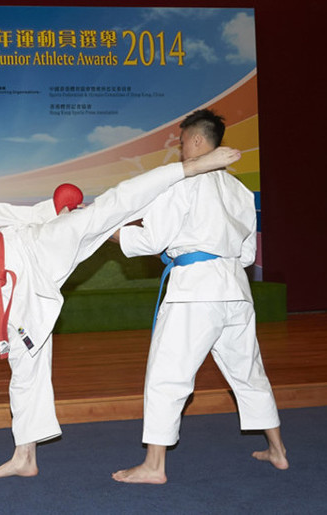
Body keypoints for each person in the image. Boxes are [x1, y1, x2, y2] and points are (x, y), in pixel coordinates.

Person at [0, 145, 241, 480]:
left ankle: (188, 169)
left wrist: (53, 211)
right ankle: (24, 457)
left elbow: (3, 213)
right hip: (10, 297)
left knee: (103, 211)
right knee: (25, 371)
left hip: (32, 247)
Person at [111, 109, 288, 485]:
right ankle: (277, 449)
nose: (179, 151)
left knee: (167, 375)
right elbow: (247, 256)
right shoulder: (240, 191)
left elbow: (152, 240)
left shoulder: (180, 183)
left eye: (180, 142)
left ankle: (154, 466)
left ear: (195, 141)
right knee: (249, 372)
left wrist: (107, 231)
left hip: (194, 290)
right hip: (236, 292)